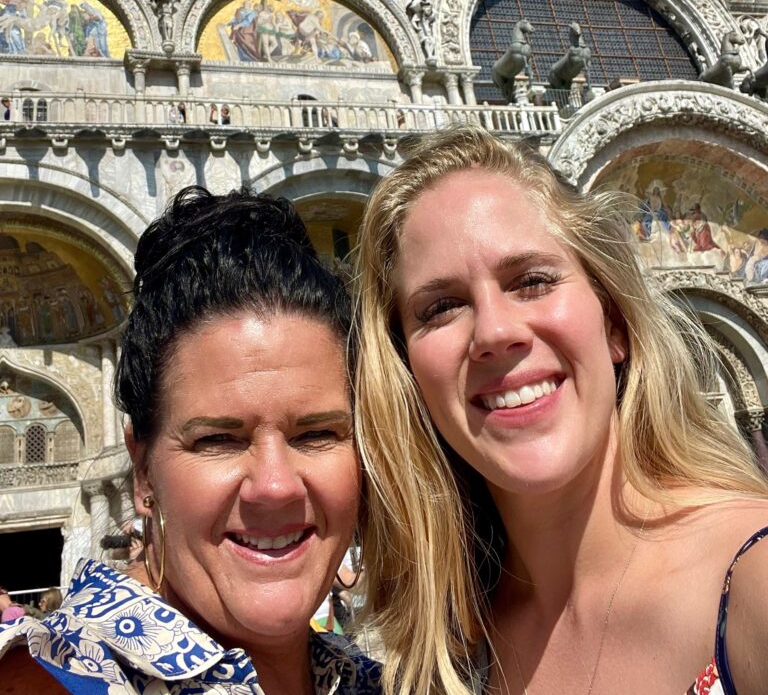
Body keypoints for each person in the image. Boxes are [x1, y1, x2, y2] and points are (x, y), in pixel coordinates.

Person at [353, 126, 768, 695]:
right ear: (406, 370)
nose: (495, 332)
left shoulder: (753, 578)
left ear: (614, 323)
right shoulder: (445, 654)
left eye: (533, 281)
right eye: (442, 307)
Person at [0, 186, 379, 695]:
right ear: (142, 472)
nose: (275, 486)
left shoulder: (364, 678)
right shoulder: (51, 677)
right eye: (218, 439)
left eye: (316, 433)